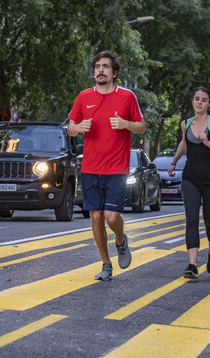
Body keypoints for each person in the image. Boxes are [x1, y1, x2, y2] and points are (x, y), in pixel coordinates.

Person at [67, 50, 146, 281]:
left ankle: (121, 241)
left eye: (105, 66)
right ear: (94, 72)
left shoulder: (127, 96)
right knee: (95, 216)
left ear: (114, 73)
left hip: (116, 168)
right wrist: (79, 127)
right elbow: (70, 127)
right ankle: (105, 263)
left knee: (111, 217)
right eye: (97, 66)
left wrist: (125, 124)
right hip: (90, 167)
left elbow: (141, 126)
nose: (100, 70)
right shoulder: (83, 97)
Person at [167, 86, 210, 278]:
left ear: (208, 103)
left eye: (204, 99)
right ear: (192, 101)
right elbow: (184, 143)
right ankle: (192, 265)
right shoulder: (185, 124)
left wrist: (207, 142)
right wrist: (173, 162)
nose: (199, 102)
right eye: (196, 99)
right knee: (191, 220)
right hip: (190, 179)